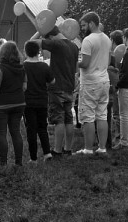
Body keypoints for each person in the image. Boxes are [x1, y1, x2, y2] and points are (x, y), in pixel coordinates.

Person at [32, 26, 79, 157]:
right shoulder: (74, 46)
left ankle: (57, 150)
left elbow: (30, 43)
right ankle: (68, 149)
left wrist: (40, 30)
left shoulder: (56, 44)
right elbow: (76, 68)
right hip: (70, 86)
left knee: (59, 119)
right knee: (69, 119)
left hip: (57, 87)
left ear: (50, 37)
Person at [76, 12, 111, 155]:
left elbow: (84, 63)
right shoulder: (107, 38)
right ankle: (102, 148)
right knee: (102, 115)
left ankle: (88, 149)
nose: (82, 28)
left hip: (90, 82)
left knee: (88, 116)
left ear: (91, 23)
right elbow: (108, 61)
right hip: (104, 80)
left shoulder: (88, 40)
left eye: (84, 25)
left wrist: (75, 61)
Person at [23, 41, 54, 163]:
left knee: (31, 129)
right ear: (38, 52)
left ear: (26, 52)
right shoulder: (44, 66)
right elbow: (52, 81)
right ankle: (47, 153)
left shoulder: (23, 66)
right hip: (42, 101)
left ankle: (33, 157)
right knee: (42, 127)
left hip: (28, 102)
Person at [107, 29, 124, 147]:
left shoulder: (113, 54)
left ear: (112, 40)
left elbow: (113, 70)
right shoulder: (125, 51)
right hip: (122, 85)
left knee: (116, 113)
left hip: (115, 85)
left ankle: (118, 137)